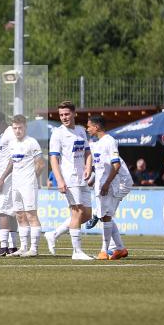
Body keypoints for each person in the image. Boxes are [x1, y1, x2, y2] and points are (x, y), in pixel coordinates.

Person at [44, 101, 93, 260]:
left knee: (87, 215)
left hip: (82, 178)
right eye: (61, 115)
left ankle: (53, 234)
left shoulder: (81, 130)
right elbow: (53, 159)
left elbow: (88, 152)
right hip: (69, 178)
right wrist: (59, 180)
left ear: (74, 114)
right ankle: (77, 252)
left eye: (67, 114)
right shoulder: (57, 133)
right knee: (77, 212)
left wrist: (88, 167)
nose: (64, 117)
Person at [0, 114, 45, 257]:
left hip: (28, 185)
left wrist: (32, 179)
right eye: (15, 128)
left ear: (25, 127)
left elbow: (41, 164)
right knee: (19, 215)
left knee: (31, 215)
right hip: (15, 184)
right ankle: (23, 247)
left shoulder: (32, 142)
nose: (17, 131)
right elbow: (12, 162)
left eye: (20, 128)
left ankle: (34, 249)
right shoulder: (12, 143)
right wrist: (3, 177)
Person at [87, 115, 133, 260]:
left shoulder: (109, 141)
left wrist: (107, 183)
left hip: (113, 185)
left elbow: (116, 165)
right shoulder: (97, 144)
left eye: (89, 126)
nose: (87, 129)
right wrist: (92, 180)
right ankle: (119, 249)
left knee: (105, 216)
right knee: (106, 216)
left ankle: (104, 251)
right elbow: (101, 168)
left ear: (96, 127)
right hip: (104, 185)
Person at [0, 110, 18, 257]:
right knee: (10, 212)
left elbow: (13, 158)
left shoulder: (10, 134)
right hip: (4, 177)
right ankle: (12, 247)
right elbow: (4, 160)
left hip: (9, 179)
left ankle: (3, 247)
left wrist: (2, 179)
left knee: (2, 211)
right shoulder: (4, 135)